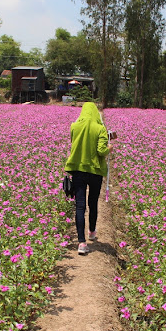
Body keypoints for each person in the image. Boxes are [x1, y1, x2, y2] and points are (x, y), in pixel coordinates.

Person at [64, 102, 113, 255]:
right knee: (92, 203)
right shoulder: (100, 128)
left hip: (78, 170)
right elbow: (101, 150)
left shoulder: (74, 126)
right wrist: (109, 147)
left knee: (80, 206)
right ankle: (91, 231)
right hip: (95, 171)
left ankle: (81, 243)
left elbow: (78, 144)